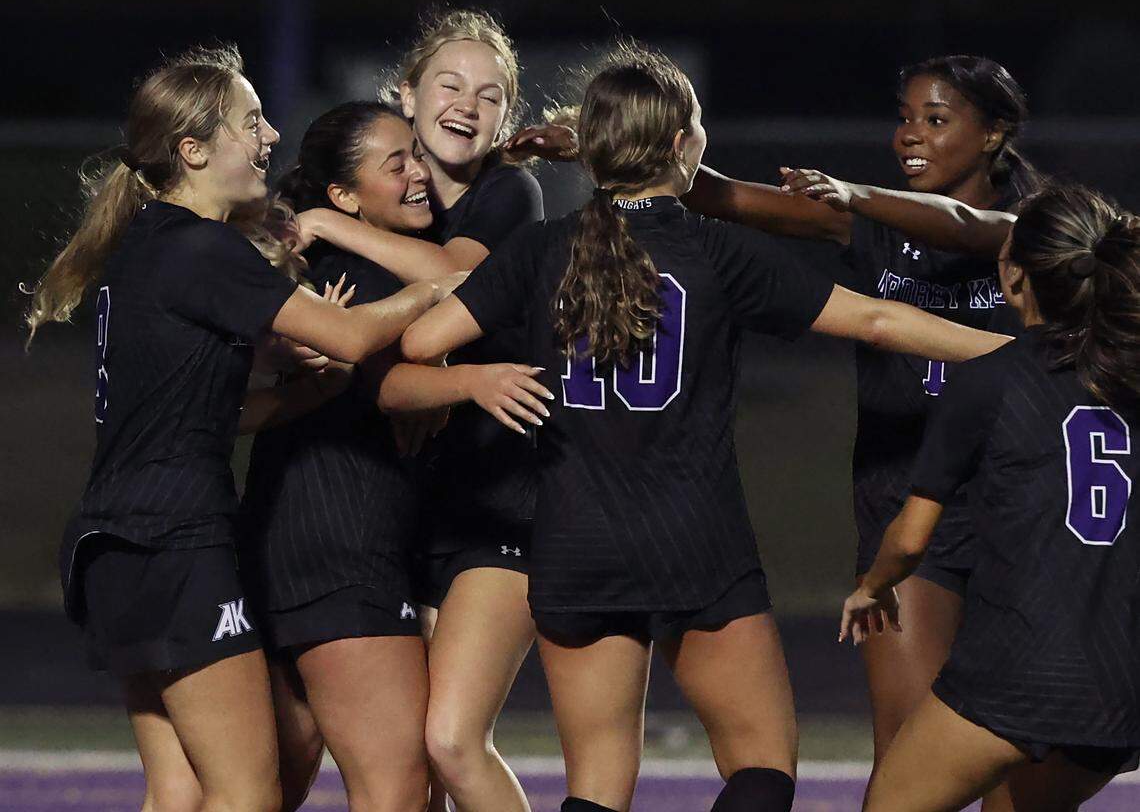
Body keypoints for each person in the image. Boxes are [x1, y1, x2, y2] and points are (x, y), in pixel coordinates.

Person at [401, 42, 1012, 812]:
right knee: (761, 769)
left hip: (574, 543)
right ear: (684, 146)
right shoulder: (720, 253)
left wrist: (476, 378)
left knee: (595, 787)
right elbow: (883, 321)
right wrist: (1024, 353)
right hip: (699, 539)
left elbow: (420, 346)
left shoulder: (540, 248)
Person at [25, 45, 461, 812]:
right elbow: (352, 337)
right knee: (246, 794)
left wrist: (307, 391)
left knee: (180, 791)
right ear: (192, 150)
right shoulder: (202, 247)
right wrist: (446, 288)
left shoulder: (144, 251)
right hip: (174, 543)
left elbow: (218, 412)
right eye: (250, 121)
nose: (268, 137)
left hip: (110, 548)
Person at [239, 99, 551, 812]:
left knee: (267, 784)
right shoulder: (360, 266)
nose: (419, 174)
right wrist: (458, 382)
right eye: (397, 163)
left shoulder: (331, 256)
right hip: (340, 541)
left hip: (293, 531)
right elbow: (430, 319)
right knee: (398, 789)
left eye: (416, 154)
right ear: (344, 197)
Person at [841, 184, 1140, 811]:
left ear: (1013, 275)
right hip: (1119, 686)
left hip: (1017, 672)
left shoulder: (990, 382)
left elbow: (912, 537)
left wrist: (874, 585)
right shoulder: (1129, 381)